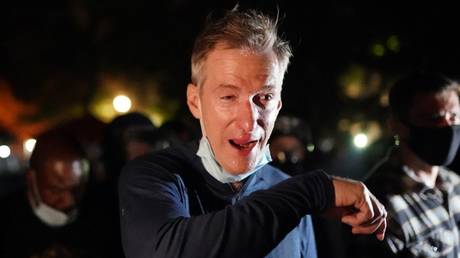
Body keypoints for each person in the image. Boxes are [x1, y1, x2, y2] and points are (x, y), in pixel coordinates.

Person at [119, 7, 386, 258]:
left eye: (265, 98)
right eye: (228, 97)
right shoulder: (153, 177)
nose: (249, 122)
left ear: (279, 105)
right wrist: (308, 192)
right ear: (195, 102)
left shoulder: (294, 195)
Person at [365, 72, 460, 257]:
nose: (447, 126)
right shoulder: (378, 204)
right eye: (434, 118)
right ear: (397, 125)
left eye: (454, 117)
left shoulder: (455, 184)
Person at [0, 131, 94, 258]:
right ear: (31, 179)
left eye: (77, 189)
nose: (69, 201)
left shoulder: (99, 212)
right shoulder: (6, 221)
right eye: (56, 190)